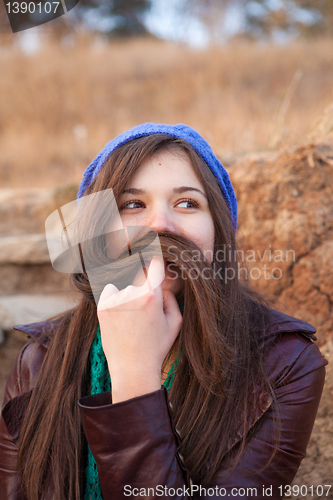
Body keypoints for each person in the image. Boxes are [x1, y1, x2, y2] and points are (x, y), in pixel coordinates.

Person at [0, 123, 327, 500]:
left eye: (188, 203)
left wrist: (135, 376)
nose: (160, 225)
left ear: (219, 232)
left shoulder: (284, 365)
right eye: (132, 205)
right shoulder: (38, 361)